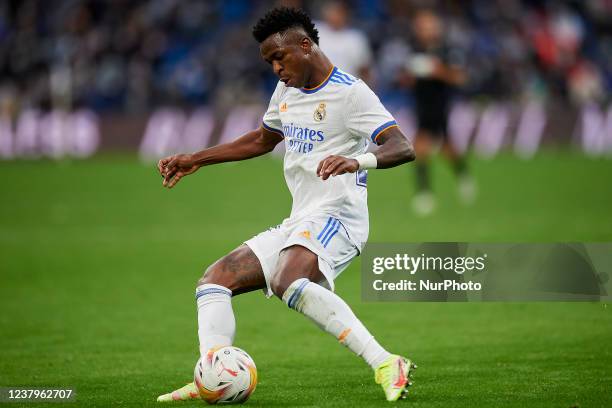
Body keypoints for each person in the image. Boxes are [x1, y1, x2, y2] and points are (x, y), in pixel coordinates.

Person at [156, 7, 416, 403]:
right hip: (301, 219)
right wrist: (196, 158)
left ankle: (385, 361)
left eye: (280, 57)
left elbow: (402, 146)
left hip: (339, 216)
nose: (276, 67)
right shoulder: (287, 91)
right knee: (213, 282)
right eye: (269, 62)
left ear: (305, 45)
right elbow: (262, 139)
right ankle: (212, 373)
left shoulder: (350, 93)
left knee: (287, 281)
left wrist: (356, 160)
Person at [400, 9, 474, 216]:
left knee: (447, 149)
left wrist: (437, 71)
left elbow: (460, 78)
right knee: (420, 149)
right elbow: (405, 80)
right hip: (421, 107)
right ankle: (425, 194)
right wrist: (409, 77)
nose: (426, 30)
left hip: (441, 107)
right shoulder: (413, 50)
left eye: (429, 26)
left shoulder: (448, 51)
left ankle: (462, 176)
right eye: (423, 26)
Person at [316, 1, 372, 81]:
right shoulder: (315, 31)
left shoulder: (356, 38)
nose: (336, 17)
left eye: (339, 13)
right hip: (318, 89)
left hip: (347, 89)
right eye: (332, 12)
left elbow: (364, 70)